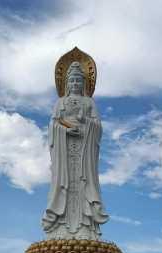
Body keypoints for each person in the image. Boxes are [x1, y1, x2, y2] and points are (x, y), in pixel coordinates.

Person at [42, 61, 109, 240]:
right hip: (65, 152)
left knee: (83, 183)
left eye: (79, 81)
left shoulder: (89, 102)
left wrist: (86, 121)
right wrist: (65, 129)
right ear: (66, 83)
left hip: (84, 151)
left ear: (84, 84)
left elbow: (98, 127)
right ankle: (61, 225)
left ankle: (86, 228)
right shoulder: (60, 102)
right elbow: (53, 124)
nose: (75, 84)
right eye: (72, 81)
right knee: (64, 183)